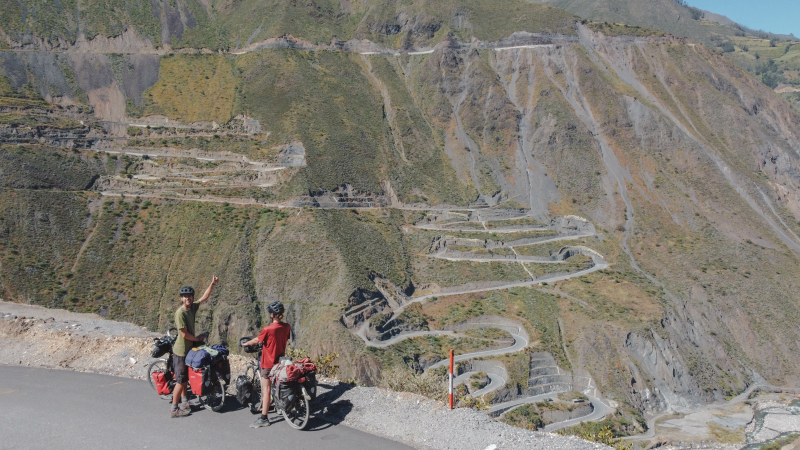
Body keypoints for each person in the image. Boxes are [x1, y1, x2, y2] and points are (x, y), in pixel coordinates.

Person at [170, 276, 218, 418]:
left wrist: (212, 283)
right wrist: (197, 339)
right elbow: (184, 334)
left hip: (189, 350)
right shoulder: (180, 313)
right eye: (185, 297)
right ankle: (174, 409)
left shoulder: (192, 308)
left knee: (185, 379)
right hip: (181, 351)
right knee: (180, 381)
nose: (188, 298)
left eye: (190, 296)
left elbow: (204, 297)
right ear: (181, 299)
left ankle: (185, 403)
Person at [241, 301, 291, 428]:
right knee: (277, 385)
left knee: (266, 390)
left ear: (272, 314)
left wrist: (246, 344)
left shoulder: (268, 329)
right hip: (281, 362)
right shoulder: (287, 327)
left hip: (268, 364)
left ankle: (264, 418)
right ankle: (280, 407)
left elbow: (257, 339)